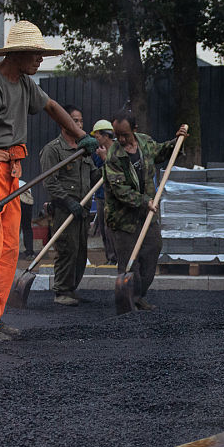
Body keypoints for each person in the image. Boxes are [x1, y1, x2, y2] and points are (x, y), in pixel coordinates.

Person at [0, 22, 96, 340]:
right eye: (35, 53)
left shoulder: (24, 83)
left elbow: (52, 107)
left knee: (9, 248)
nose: (40, 59)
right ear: (16, 54)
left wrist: (82, 136)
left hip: (8, 171)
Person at [104, 113, 189, 310]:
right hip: (123, 218)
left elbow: (160, 152)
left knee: (153, 249)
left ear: (134, 129)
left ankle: (139, 295)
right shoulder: (113, 156)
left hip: (146, 214)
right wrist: (145, 201)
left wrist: (177, 141)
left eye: (125, 134)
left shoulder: (144, 142)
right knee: (128, 263)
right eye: (117, 135)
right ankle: (126, 302)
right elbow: (121, 191)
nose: (121, 139)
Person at [40, 105, 99, 305]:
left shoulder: (84, 150)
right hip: (65, 210)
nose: (78, 124)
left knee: (81, 251)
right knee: (66, 249)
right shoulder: (53, 150)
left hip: (82, 209)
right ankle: (61, 291)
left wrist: (108, 166)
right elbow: (50, 181)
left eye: (80, 121)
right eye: (74, 120)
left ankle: (72, 288)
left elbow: (93, 176)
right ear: (63, 122)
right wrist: (68, 201)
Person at [90, 118, 118, 264]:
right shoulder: (96, 153)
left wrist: (105, 158)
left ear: (106, 135)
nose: (96, 139)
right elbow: (94, 173)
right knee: (104, 228)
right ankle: (111, 258)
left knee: (113, 228)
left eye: (98, 136)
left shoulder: (118, 150)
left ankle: (119, 258)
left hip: (116, 197)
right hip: (101, 195)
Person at [17, 181, 36, 259]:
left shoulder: (14, 182)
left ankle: (11, 253)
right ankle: (29, 252)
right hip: (27, 201)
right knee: (27, 227)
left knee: (14, 228)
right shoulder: (24, 183)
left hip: (16, 198)